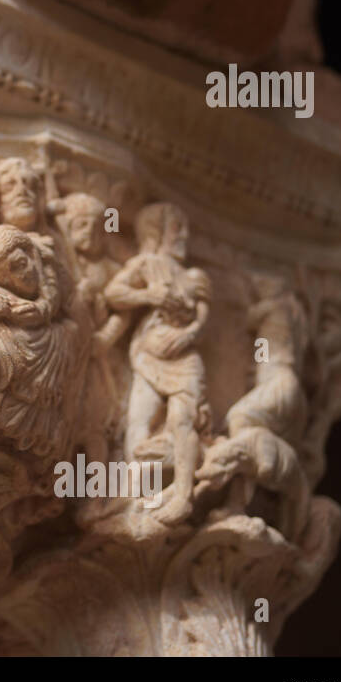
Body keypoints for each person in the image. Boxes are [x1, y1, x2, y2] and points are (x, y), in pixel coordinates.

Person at [104, 202, 211, 524]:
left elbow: (203, 316)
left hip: (185, 356)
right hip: (148, 354)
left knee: (183, 420)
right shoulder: (147, 264)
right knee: (139, 418)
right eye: (177, 228)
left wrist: (189, 334)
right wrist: (150, 296)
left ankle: (181, 495)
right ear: (156, 231)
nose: (184, 235)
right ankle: (135, 493)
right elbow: (114, 292)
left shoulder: (195, 276)